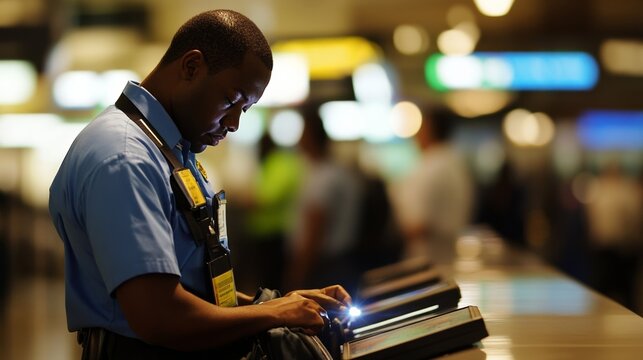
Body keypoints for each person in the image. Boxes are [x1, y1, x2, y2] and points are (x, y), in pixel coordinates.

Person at [48, 9, 351, 358]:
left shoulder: (169, 149)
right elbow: (158, 315)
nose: (235, 122)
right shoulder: (126, 157)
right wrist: (272, 312)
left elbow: (185, 287)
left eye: (245, 109)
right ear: (191, 67)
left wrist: (280, 305)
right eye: (231, 100)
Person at [393, 106, 474, 265]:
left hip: (427, 261)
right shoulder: (455, 163)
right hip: (450, 256)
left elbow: (417, 225)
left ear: (428, 129)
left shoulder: (430, 167)